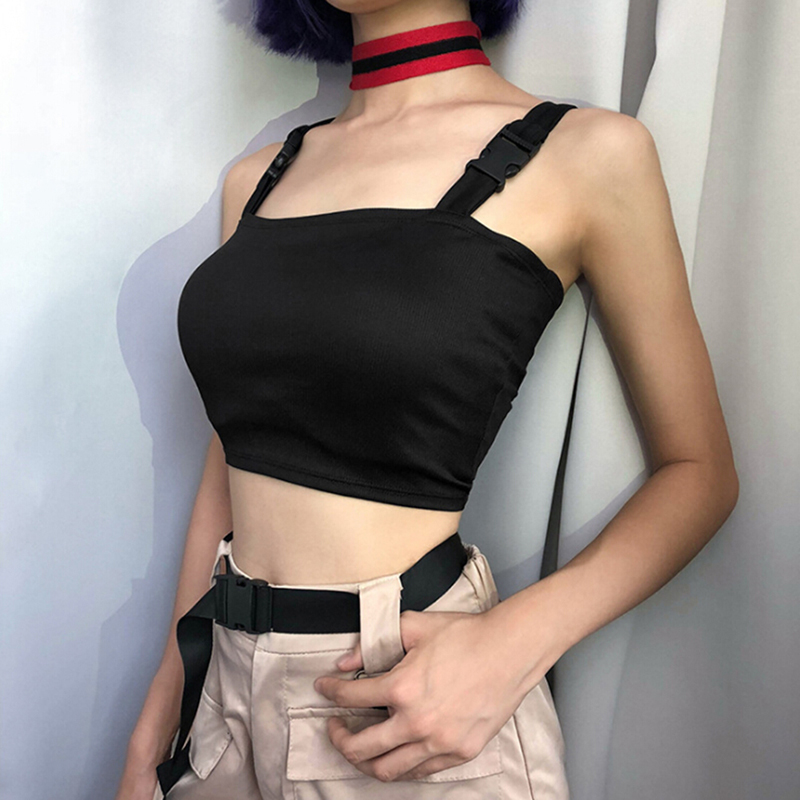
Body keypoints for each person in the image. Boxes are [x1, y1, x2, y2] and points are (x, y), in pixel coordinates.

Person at [115, 2, 739, 799]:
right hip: (222, 694)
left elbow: (700, 472)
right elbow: (232, 452)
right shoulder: (259, 178)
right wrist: (164, 702)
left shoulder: (587, 154)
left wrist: (513, 645)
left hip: (404, 707)